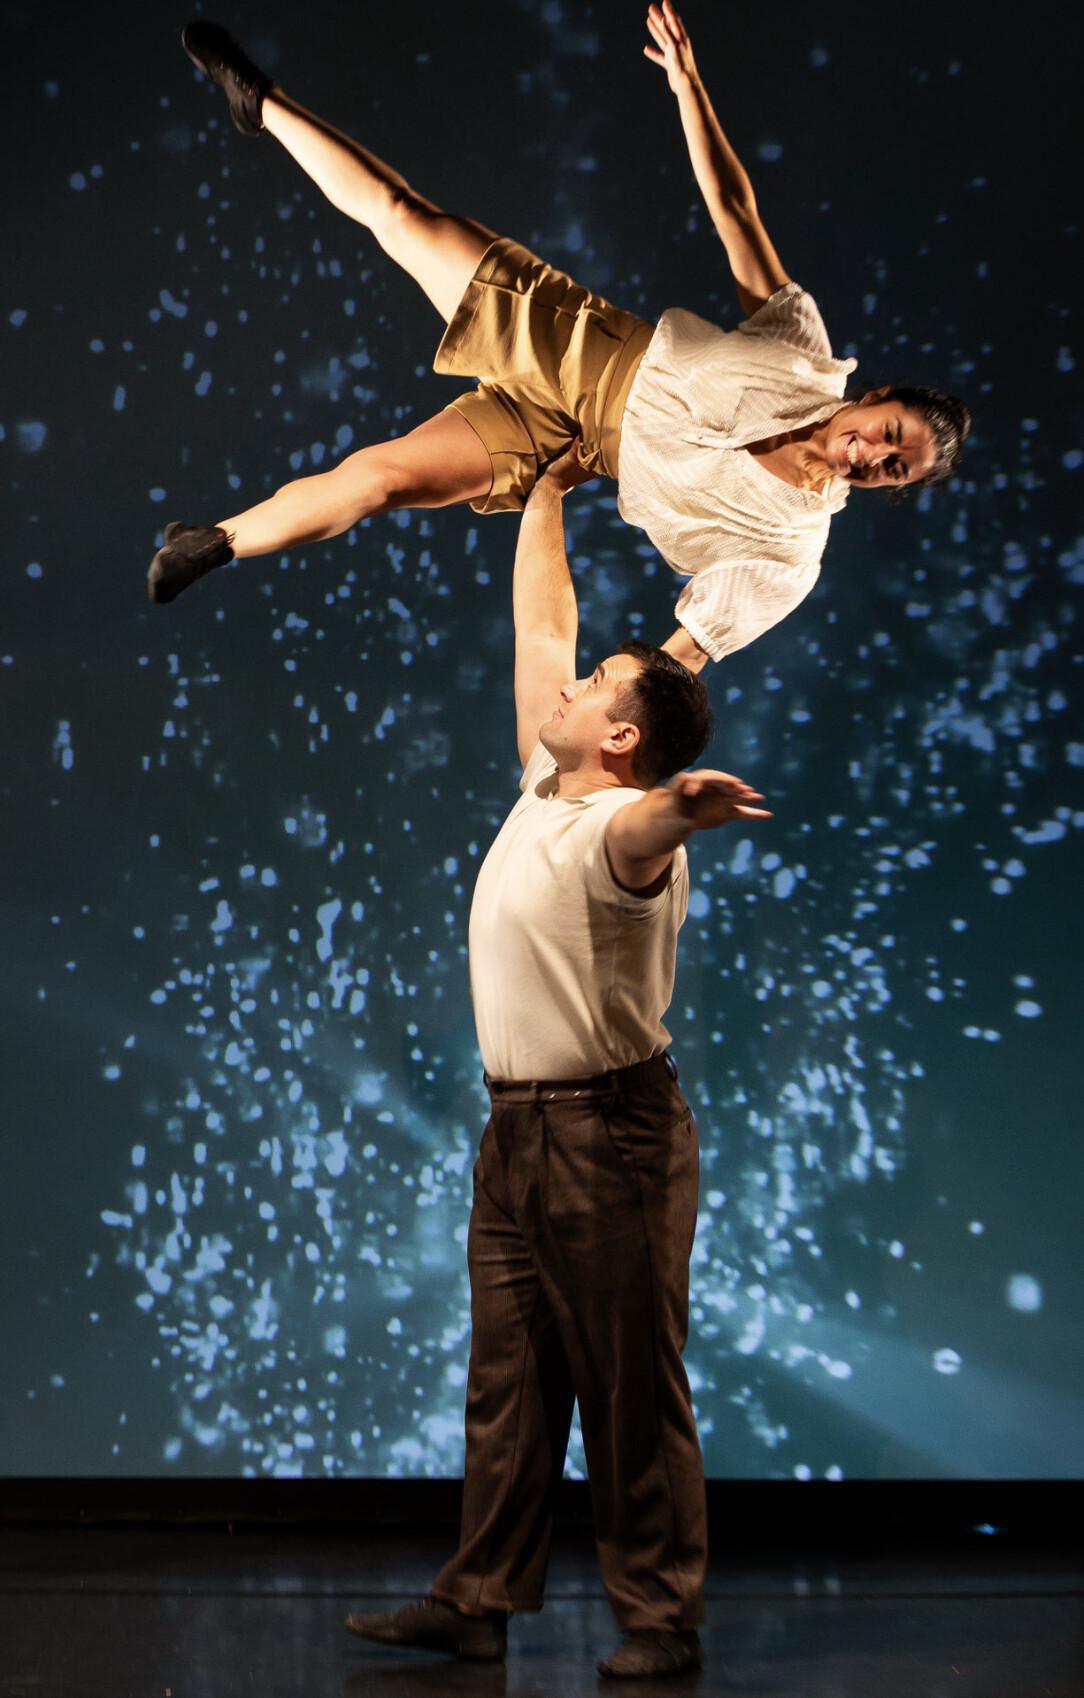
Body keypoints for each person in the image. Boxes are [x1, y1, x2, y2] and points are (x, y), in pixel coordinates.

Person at [148, 7, 971, 668]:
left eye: (892, 471)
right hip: (584, 344)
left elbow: (689, 654)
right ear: (874, 398)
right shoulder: (804, 351)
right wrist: (690, 89)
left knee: (383, 480)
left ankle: (215, 542)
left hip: (566, 444)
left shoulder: (792, 555)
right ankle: (263, 104)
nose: (871, 458)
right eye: (889, 435)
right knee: (405, 217)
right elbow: (735, 213)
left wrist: (614, 730)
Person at [342, 443, 771, 1680]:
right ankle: (477, 1598)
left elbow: (645, 829)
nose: (567, 684)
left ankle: (660, 1621)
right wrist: (542, 494)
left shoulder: (615, 834)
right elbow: (544, 616)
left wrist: (682, 807)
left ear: (622, 738)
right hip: (519, 1131)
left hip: (609, 1135)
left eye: (592, 689)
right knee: (511, 1378)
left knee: (630, 1383)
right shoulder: (547, 780)